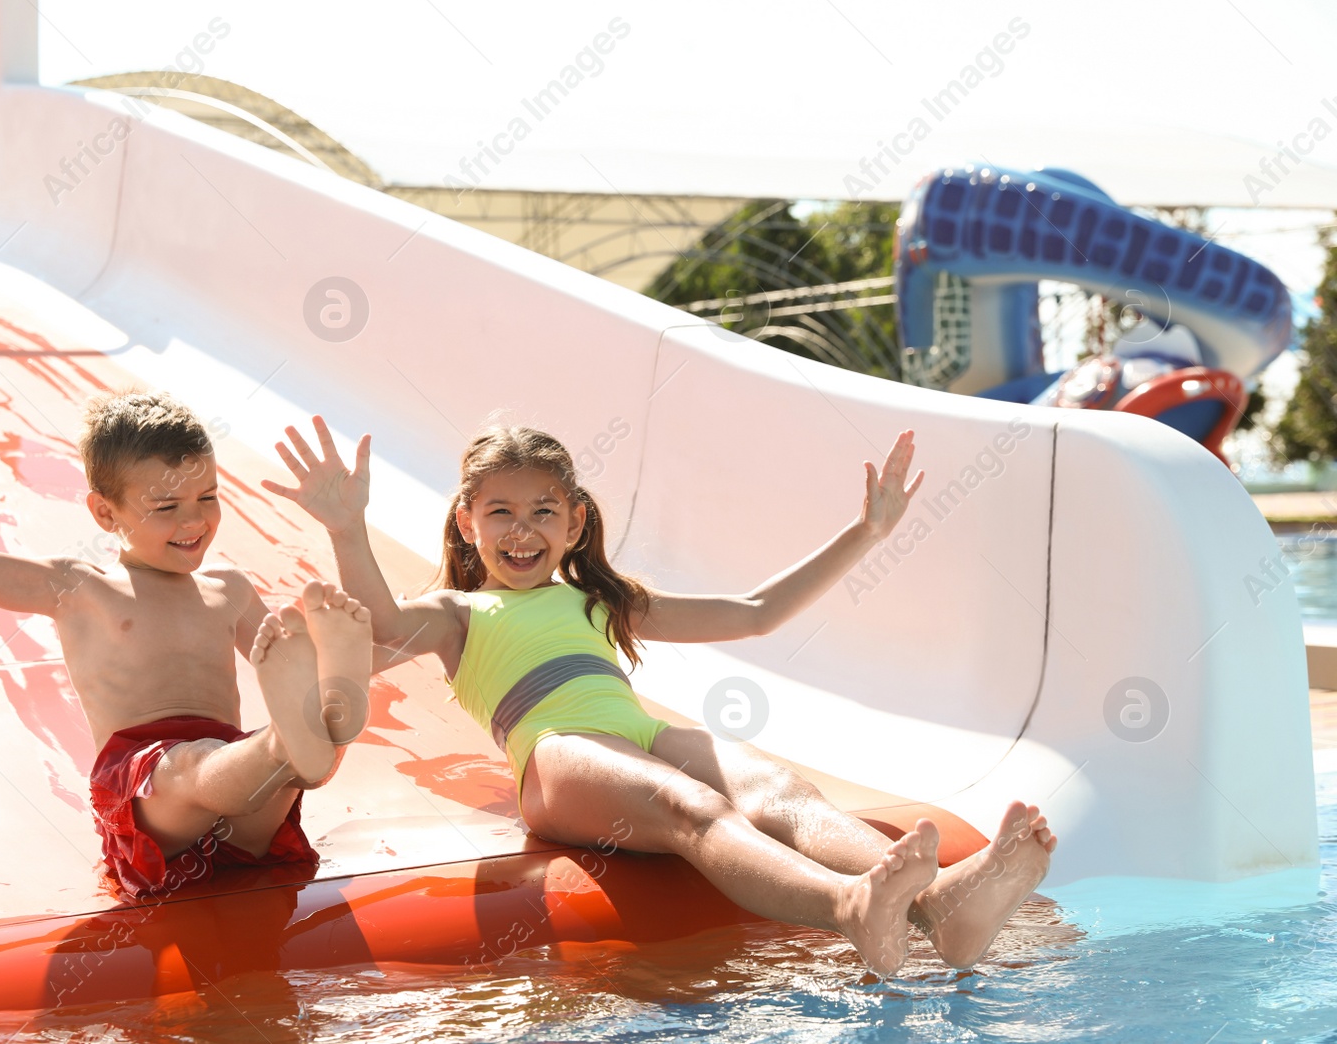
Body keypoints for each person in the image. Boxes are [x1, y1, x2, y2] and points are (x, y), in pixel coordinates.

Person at [262, 415, 1056, 977]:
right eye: (498, 510)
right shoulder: (457, 614)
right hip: (559, 755)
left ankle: (939, 910)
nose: (521, 527)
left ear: (574, 521)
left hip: (635, 732)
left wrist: (867, 534)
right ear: (467, 523)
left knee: (778, 789)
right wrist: (346, 525)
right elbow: (382, 628)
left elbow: (753, 613)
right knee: (693, 809)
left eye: (543, 509)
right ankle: (853, 906)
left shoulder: (600, 598)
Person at [0, 390, 374, 899]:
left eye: (208, 498)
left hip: (234, 792)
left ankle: (311, 732)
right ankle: (291, 740)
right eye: (166, 506)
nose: (194, 522)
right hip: (148, 785)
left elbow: (289, 669)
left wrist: (346, 534)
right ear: (103, 513)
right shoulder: (79, 587)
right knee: (196, 764)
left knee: (271, 777)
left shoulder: (230, 590)